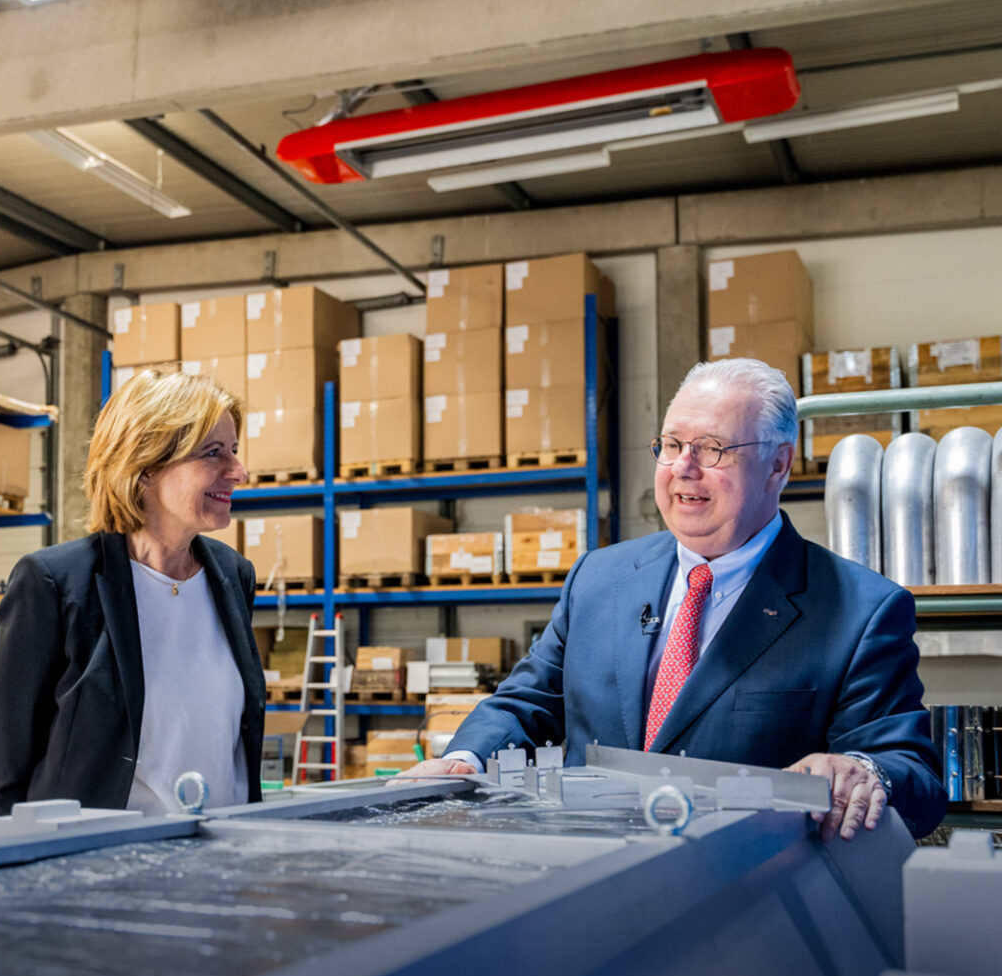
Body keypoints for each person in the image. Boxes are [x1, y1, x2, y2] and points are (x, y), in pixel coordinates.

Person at [405, 357, 946, 840]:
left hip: (742, 904)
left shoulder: (860, 609)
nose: (683, 468)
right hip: (579, 883)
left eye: (713, 449)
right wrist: (462, 758)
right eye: (670, 445)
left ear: (779, 464)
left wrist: (863, 771)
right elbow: (530, 704)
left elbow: (913, 776)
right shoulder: (599, 578)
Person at [0, 369, 264, 816]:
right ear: (145, 466)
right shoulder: (54, 582)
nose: (239, 472)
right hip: (99, 862)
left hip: (220, 854)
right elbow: (6, 769)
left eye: (234, 451)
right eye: (214, 454)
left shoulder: (233, 576)